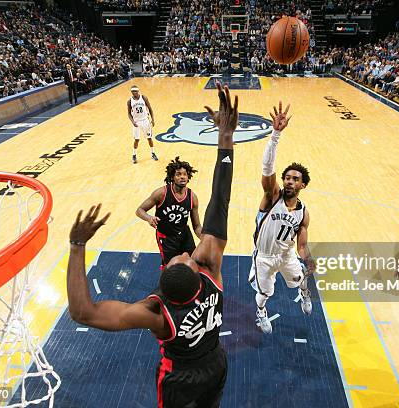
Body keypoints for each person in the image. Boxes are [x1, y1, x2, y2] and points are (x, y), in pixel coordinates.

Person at [66, 82, 238, 407]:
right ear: (200, 274)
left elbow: (83, 313)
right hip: (215, 364)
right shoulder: (212, 276)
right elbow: (223, 199)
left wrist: (77, 245)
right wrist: (225, 138)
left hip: (181, 378)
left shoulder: (157, 314)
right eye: (187, 259)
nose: (187, 255)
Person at [249, 102, 315, 334]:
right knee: (264, 293)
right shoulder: (272, 196)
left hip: (286, 255)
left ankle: (304, 293)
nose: (289, 181)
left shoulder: (303, 212)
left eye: (295, 179)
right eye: (287, 177)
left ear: (302, 185)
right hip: (264, 257)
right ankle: (261, 313)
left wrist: (308, 260)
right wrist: (275, 134)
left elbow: (302, 245)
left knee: (302, 276)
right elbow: (267, 168)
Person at [136, 157, 202, 268]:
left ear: (188, 176)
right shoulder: (161, 193)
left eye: (185, 174)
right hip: (166, 237)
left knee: (192, 263)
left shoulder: (192, 197)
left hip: (184, 235)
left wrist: (205, 238)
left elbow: (197, 226)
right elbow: (139, 210)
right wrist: (149, 218)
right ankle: (166, 285)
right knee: (170, 267)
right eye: (178, 174)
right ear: (172, 177)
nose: (182, 177)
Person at [127, 85, 157, 163]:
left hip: (145, 120)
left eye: (136, 91)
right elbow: (129, 113)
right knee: (136, 139)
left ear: (138, 91)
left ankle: (153, 153)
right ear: (131, 92)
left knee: (149, 138)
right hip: (137, 122)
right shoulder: (129, 101)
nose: (135, 93)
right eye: (133, 91)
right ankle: (134, 155)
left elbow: (150, 108)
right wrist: (133, 122)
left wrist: (153, 119)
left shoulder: (144, 98)